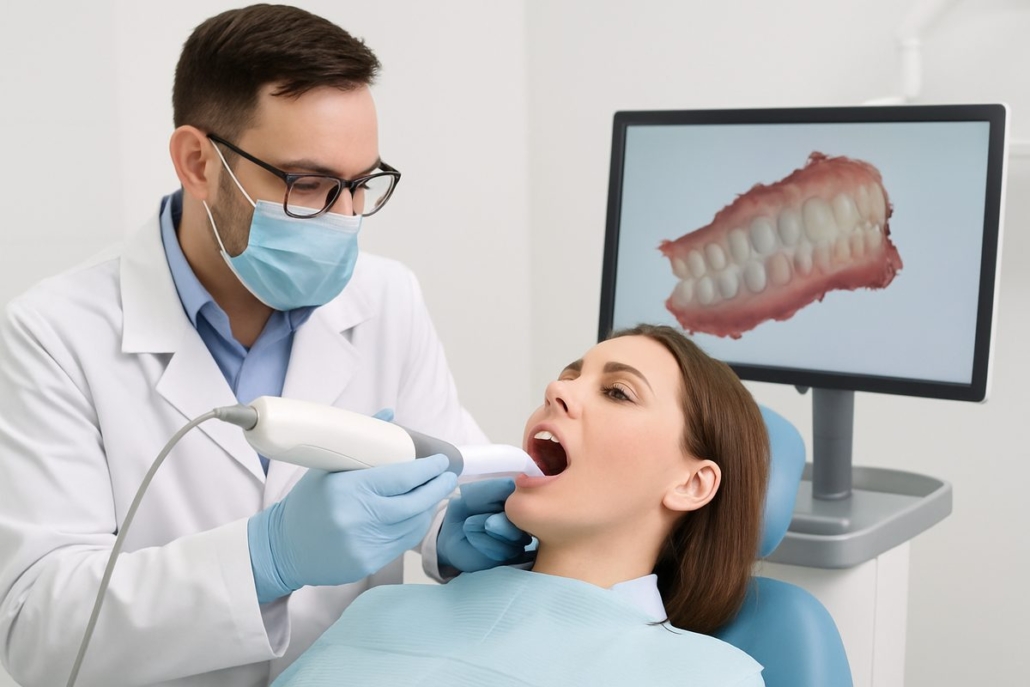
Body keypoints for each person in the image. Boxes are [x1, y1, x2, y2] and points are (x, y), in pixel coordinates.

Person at [0, 5, 526, 686]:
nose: (344, 219)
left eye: (359, 185)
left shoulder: (386, 299)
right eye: (307, 184)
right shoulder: (55, 333)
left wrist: (451, 527)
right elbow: (40, 632)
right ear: (198, 162)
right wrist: (264, 557)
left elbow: (439, 482)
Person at [273, 324, 771, 686]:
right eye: (568, 377)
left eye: (617, 392)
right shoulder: (381, 609)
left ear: (692, 484)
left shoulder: (704, 677)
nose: (558, 389)